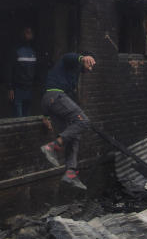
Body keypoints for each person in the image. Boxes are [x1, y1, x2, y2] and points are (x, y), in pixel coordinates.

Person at [39, 52, 97, 190]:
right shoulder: (70, 62)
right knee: (83, 122)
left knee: (74, 134)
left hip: (52, 100)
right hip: (55, 96)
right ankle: (52, 147)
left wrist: (45, 116)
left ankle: (71, 173)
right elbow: (67, 57)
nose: (90, 68)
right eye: (90, 64)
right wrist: (82, 58)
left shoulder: (72, 76)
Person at [8, 26, 38, 117]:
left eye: (31, 32)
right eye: (27, 32)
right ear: (23, 34)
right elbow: (9, 69)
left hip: (29, 88)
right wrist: (10, 88)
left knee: (27, 116)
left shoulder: (33, 51)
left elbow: (35, 70)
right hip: (18, 89)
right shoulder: (16, 50)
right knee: (18, 117)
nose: (29, 35)